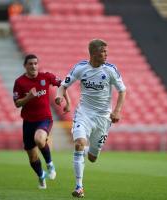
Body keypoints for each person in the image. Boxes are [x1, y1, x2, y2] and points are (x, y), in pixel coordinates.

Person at [55, 39, 127, 198]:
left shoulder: (110, 70)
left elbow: (122, 91)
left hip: (103, 118)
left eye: (107, 52)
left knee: (93, 157)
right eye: (103, 52)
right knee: (79, 143)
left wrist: (117, 111)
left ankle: (89, 150)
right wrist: (59, 97)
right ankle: (79, 186)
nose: (106, 55)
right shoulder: (81, 68)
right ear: (94, 53)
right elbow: (63, 85)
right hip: (84, 114)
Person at [13, 54, 70, 189]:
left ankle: (50, 164)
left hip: (44, 119)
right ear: (25, 66)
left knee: (39, 139)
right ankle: (41, 175)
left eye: (35, 63)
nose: (33, 66)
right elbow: (17, 103)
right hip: (28, 121)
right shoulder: (19, 82)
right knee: (32, 157)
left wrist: (68, 102)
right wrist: (28, 98)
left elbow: (62, 85)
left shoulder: (45, 77)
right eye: (30, 64)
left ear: (38, 65)